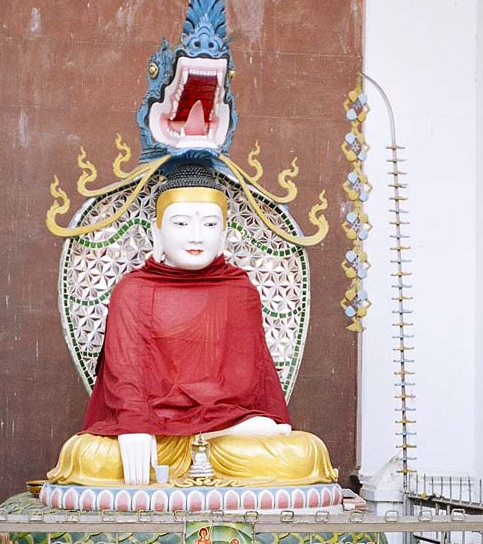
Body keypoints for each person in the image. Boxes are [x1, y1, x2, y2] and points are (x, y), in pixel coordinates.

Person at [46, 164, 337, 488]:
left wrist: (210, 422)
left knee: (303, 454)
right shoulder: (134, 290)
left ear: (224, 235)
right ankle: (206, 437)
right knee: (88, 455)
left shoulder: (239, 291)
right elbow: (124, 373)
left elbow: (244, 382)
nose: (196, 236)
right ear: (156, 234)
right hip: (156, 436)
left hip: (223, 435)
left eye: (210, 224)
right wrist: (134, 426)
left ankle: (213, 436)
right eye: (181, 223)